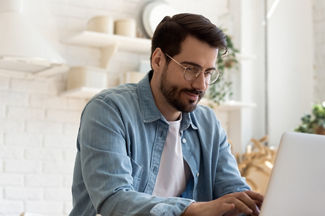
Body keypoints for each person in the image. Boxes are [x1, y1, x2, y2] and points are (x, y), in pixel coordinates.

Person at [70, 13, 263, 216]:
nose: (201, 85)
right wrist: (192, 210)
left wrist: (254, 206)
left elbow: (232, 190)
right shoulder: (108, 110)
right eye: (190, 69)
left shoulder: (208, 123)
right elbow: (114, 199)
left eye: (207, 73)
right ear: (158, 60)